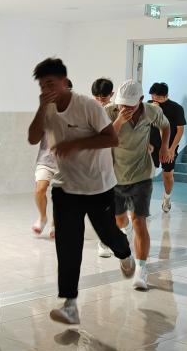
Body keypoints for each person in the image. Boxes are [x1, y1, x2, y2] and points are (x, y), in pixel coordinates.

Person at [28, 58, 133, 325]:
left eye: (51, 84)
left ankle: (124, 252)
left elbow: (112, 138)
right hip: (65, 187)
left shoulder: (88, 106)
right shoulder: (47, 109)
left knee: (108, 234)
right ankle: (70, 304)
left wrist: (75, 145)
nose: (46, 90)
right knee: (67, 247)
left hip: (98, 186)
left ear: (64, 82)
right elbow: (32, 137)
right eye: (42, 86)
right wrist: (41, 108)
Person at [106, 80, 171, 291]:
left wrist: (164, 147)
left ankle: (141, 270)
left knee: (139, 221)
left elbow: (166, 126)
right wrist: (119, 121)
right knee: (119, 220)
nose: (124, 108)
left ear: (141, 100)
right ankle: (124, 235)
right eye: (121, 104)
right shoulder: (110, 112)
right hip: (115, 175)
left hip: (142, 174)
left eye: (129, 105)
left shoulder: (152, 111)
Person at [32, 79, 72, 239]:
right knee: (40, 190)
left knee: (59, 196)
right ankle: (42, 218)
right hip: (45, 159)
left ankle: (55, 224)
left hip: (66, 163)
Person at [148, 82, 187, 213]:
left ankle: (167, 197)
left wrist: (172, 149)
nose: (155, 99)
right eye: (152, 96)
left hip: (169, 146)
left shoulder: (176, 108)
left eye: (158, 97)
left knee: (167, 175)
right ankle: (144, 204)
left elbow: (180, 130)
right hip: (152, 146)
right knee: (147, 175)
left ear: (166, 95)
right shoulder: (149, 105)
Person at [90, 78, 115, 259]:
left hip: (117, 163)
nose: (100, 101)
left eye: (103, 98)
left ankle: (108, 239)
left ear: (111, 95)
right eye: (97, 97)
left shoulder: (117, 111)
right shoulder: (88, 110)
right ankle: (104, 241)